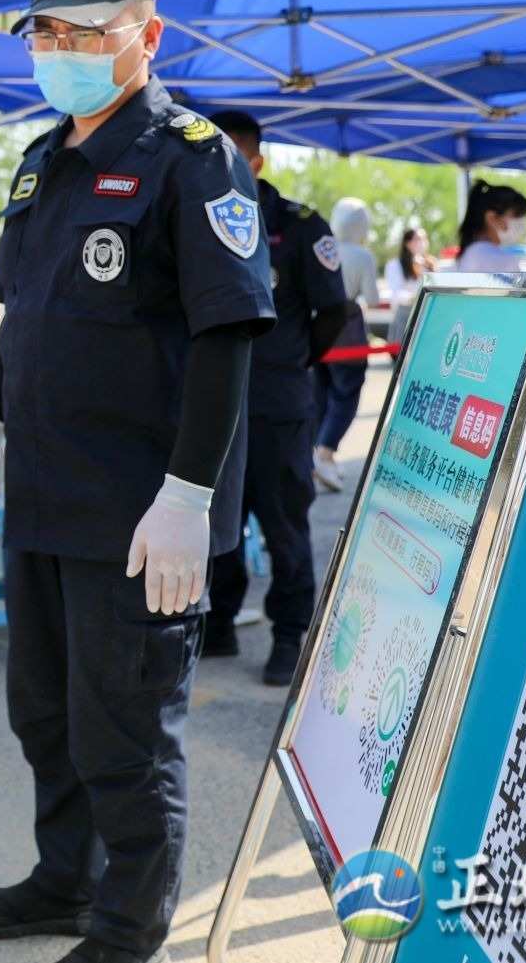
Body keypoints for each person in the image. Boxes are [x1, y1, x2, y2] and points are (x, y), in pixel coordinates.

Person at [0, 0, 274, 963]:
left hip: (139, 514)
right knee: (44, 713)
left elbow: (227, 336)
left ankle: (129, 931)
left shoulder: (192, 157)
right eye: (47, 32)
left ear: (148, 35)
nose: (64, 49)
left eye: (89, 31)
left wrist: (188, 494)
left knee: (125, 733)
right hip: (46, 496)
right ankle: (67, 879)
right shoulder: (44, 159)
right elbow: (22, 317)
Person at [200, 113, 348, 686]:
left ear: (257, 162)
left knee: (284, 523)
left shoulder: (298, 225)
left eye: (230, 157)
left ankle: (289, 635)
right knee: (216, 520)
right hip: (212, 404)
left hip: (276, 402)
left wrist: (293, 359)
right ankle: (217, 623)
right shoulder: (192, 214)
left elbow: (333, 310)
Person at [312, 197, 380, 492]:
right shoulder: (362, 256)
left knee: (320, 395)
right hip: (348, 331)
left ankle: (316, 453)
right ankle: (325, 453)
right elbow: (373, 299)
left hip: (317, 331)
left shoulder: (322, 249)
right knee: (346, 396)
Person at [452, 179, 526, 272]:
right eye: (517, 215)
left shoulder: (473, 251)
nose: (522, 223)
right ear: (492, 218)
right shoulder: (497, 259)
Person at [384, 226, 432, 344]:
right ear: (407, 243)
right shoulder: (395, 265)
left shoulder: (430, 264)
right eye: (418, 239)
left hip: (426, 319)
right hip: (405, 319)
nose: (422, 243)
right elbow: (396, 294)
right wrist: (416, 296)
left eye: (424, 238)